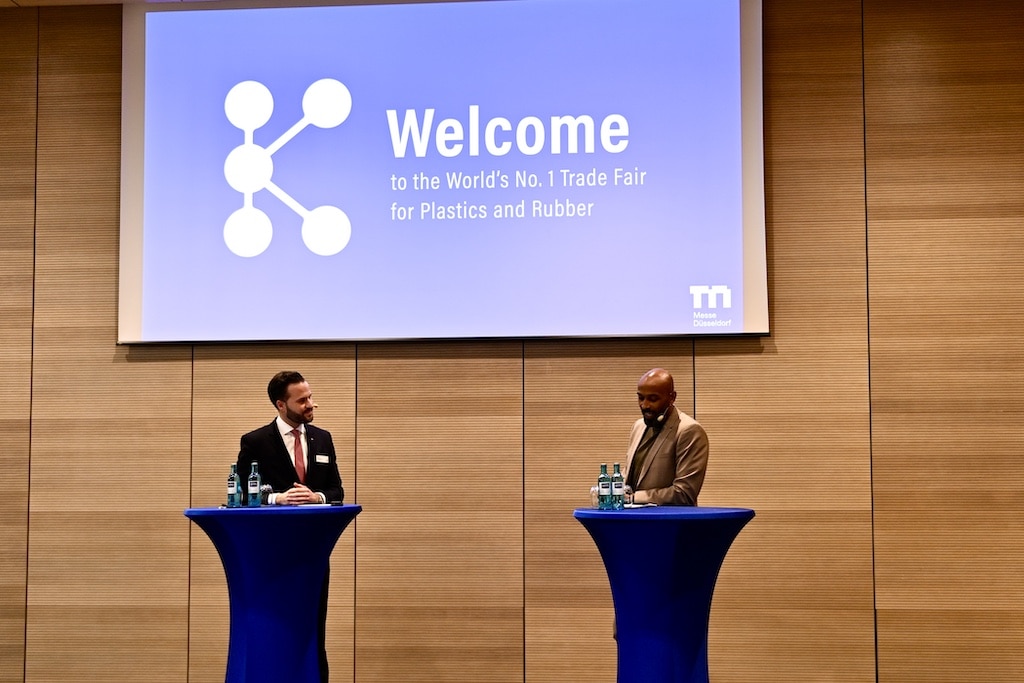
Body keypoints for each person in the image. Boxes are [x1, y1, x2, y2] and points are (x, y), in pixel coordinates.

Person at [236, 370, 344, 683]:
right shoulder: (255, 442)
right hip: (271, 555)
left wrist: (317, 496)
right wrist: (277, 498)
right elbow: (240, 494)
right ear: (281, 405)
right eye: (303, 400)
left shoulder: (322, 438)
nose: (312, 404)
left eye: (310, 397)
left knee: (312, 627)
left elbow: (337, 491)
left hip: (312, 553)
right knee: (274, 629)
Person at [624, 368, 708, 506]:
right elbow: (631, 473)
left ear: (672, 397)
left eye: (653, 399)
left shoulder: (689, 430)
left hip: (669, 523)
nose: (644, 405)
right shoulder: (638, 426)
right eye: (641, 397)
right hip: (632, 521)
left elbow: (684, 493)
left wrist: (634, 498)